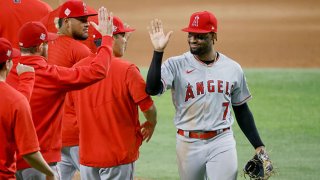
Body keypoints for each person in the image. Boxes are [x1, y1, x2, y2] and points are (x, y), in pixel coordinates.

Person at [146, 11, 270, 180]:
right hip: (187, 143)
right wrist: (158, 52)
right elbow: (152, 89)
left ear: (213, 36)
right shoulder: (176, 64)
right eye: (190, 34)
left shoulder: (232, 68)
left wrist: (258, 146)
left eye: (199, 36)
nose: (192, 39)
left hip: (222, 140)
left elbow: (241, 109)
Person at [6, 7, 114, 179]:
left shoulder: (9, 71)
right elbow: (98, 71)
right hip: (40, 162)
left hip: (8, 160)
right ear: (41, 46)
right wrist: (107, 39)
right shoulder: (53, 76)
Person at [68, 16, 157, 179]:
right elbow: (148, 107)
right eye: (122, 36)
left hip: (87, 158)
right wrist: (152, 122)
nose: (125, 40)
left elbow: (70, 111)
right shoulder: (128, 70)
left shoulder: (76, 70)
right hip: (118, 157)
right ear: (112, 38)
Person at [45, 1, 98, 178]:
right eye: (82, 20)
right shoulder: (79, 50)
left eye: (87, 20)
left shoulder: (43, 46)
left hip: (51, 133)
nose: (87, 24)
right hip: (76, 134)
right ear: (66, 22)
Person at [0, 37, 56, 179]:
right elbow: (29, 152)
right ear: (7, 64)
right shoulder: (14, 100)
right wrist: (49, 173)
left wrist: (27, 80)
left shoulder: (15, 100)